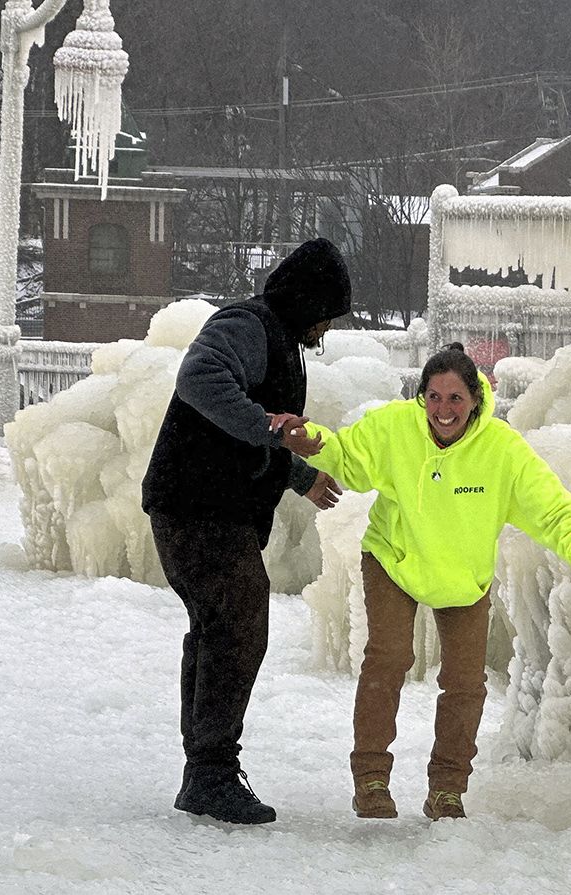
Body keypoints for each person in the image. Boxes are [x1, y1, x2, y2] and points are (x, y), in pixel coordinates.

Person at [280, 343, 571, 820]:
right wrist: (306, 436)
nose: (443, 409)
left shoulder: (502, 450)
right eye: (434, 397)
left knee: (464, 682)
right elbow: (345, 454)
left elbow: (552, 507)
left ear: (475, 399)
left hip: (463, 577)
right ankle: (371, 778)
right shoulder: (396, 427)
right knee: (389, 658)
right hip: (394, 559)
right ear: (422, 397)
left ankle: (447, 789)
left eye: (455, 398)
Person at [141, 238, 351, 825]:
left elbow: (258, 432)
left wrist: (298, 473)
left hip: (205, 506)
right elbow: (200, 377)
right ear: (309, 301)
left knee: (218, 626)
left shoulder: (277, 337)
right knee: (236, 624)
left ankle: (204, 771)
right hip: (195, 506)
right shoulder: (247, 325)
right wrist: (269, 428)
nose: (328, 327)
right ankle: (209, 771)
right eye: (328, 312)